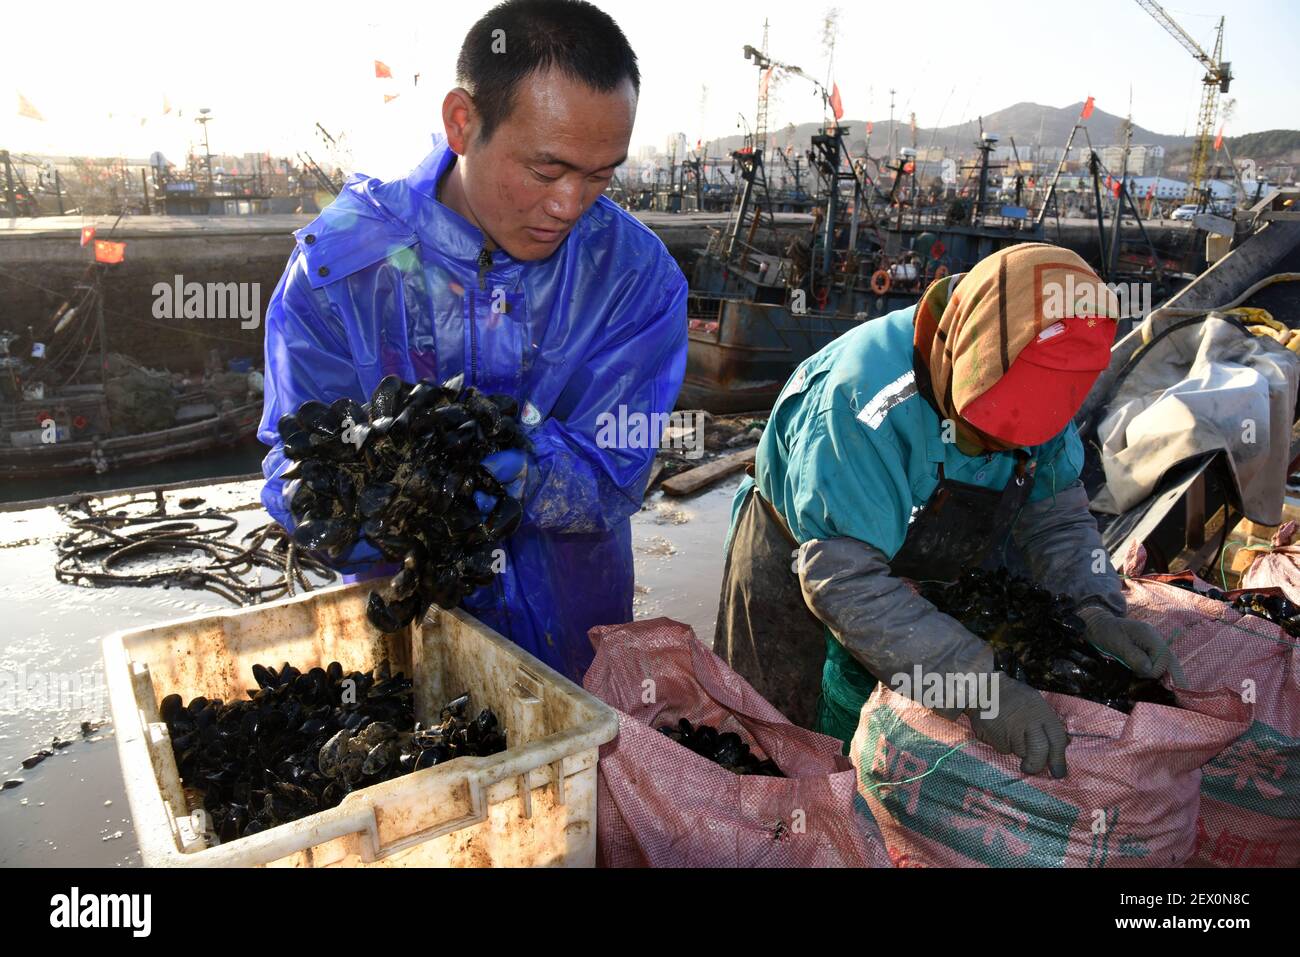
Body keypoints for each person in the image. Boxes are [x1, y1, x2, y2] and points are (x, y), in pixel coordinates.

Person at [258, 0, 687, 682]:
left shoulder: (636, 278)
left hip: (574, 645)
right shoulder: (340, 269)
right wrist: (392, 491)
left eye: (601, 174)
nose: (570, 205)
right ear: (463, 122)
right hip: (404, 649)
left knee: (567, 779)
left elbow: (615, 474)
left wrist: (503, 458)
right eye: (547, 171)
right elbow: (296, 470)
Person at [714, 243, 1169, 777]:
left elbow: (1055, 516)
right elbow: (847, 583)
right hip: (807, 561)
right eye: (980, 434)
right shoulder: (863, 402)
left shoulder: (1035, 367)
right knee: (776, 749)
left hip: (931, 568)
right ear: (958, 357)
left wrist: (1094, 608)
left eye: (1014, 444)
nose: (993, 452)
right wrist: (978, 692)